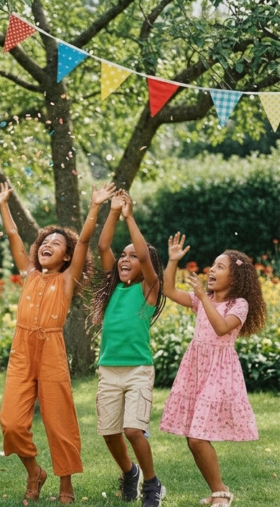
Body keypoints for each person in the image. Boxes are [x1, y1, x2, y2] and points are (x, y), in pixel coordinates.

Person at [0, 181, 116, 504]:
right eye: (45, 241)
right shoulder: (29, 272)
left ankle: (66, 483)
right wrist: (4, 204)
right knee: (11, 423)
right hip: (22, 348)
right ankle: (34, 471)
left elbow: (85, 239)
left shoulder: (66, 279)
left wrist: (95, 206)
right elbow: (14, 237)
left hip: (51, 349)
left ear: (67, 256)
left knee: (59, 419)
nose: (48, 243)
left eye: (57, 243)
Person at [159, 233, 266, 507]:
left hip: (219, 373)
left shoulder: (238, 304)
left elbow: (221, 327)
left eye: (220, 267)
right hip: (196, 369)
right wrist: (172, 261)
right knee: (192, 437)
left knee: (197, 438)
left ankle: (221, 493)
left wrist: (203, 299)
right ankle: (218, 491)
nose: (212, 271)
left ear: (235, 278)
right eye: (213, 266)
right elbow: (168, 290)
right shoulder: (204, 299)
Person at [93, 191, 166, 507]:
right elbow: (102, 246)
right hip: (109, 369)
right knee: (110, 434)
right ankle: (130, 472)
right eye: (123, 255)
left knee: (133, 430)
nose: (126, 258)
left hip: (138, 369)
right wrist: (112, 212)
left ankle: (152, 484)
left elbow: (146, 257)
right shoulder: (113, 286)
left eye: (132, 256)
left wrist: (129, 217)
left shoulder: (148, 290)